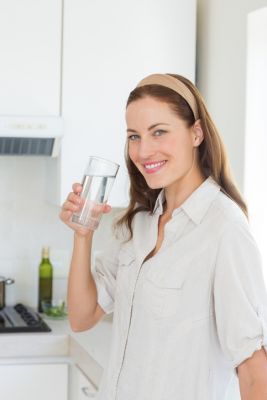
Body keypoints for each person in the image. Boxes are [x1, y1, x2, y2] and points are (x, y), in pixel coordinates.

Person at [59, 73, 267, 400]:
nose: (143, 151)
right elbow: (82, 316)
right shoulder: (140, 222)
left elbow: (253, 369)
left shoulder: (224, 228)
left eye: (159, 132)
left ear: (196, 133)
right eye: (134, 136)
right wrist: (82, 236)